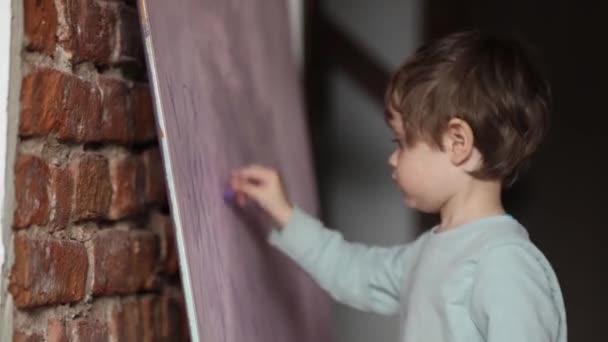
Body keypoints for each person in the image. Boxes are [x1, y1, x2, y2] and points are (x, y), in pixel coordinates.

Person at [229, 30, 566, 342]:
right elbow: (353, 272)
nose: (393, 159)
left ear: (457, 143)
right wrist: (285, 214)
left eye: (403, 142)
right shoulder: (426, 254)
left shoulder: (503, 263)